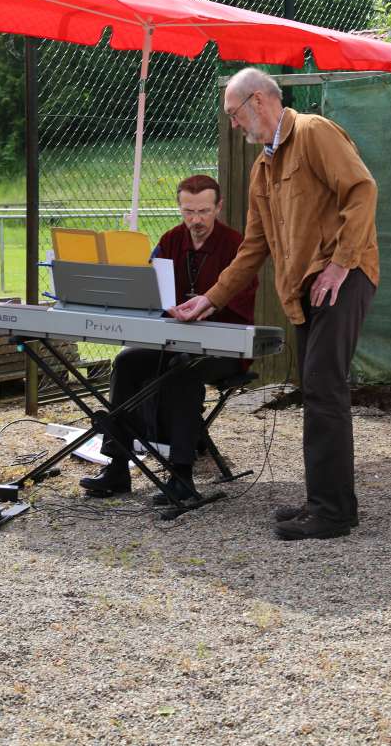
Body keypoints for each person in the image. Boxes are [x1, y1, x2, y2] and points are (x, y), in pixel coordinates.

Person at [170, 68, 379, 541]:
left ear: (259, 101)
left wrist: (341, 264)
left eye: (234, 115)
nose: (234, 125)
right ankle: (325, 500)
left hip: (342, 276)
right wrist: (209, 298)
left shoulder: (314, 132)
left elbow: (362, 190)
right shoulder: (262, 167)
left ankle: (332, 513)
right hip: (308, 287)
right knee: (317, 390)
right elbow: (254, 248)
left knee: (325, 388)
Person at [79, 174, 258, 504]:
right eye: (188, 211)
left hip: (224, 347)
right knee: (127, 362)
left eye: (203, 211)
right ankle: (117, 465)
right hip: (173, 341)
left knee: (183, 369)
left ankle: (182, 476)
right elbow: (150, 288)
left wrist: (202, 309)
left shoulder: (237, 245)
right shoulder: (171, 239)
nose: (195, 220)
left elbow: (240, 304)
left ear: (218, 207)